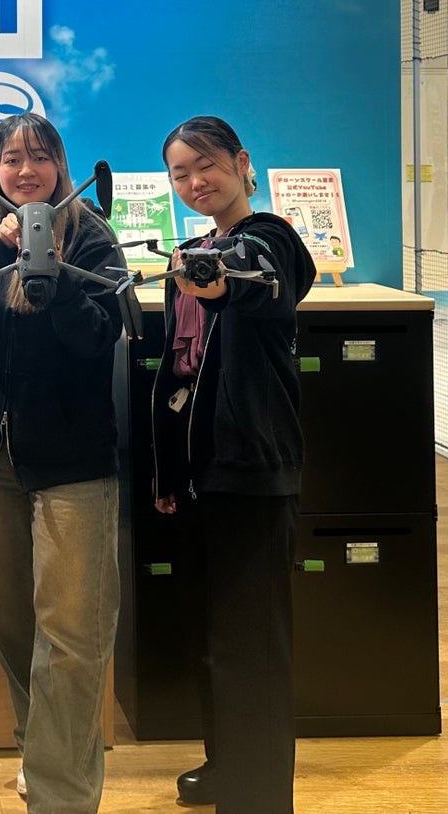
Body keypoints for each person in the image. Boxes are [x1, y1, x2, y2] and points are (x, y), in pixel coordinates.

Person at [0, 113, 126, 813]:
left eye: (38, 157)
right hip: (0, 458)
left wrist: (54, 273)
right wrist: (5, 247)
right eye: (11, 159)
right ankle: (43, 743)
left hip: (75, 464)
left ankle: (59, 792)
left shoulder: (93, 236)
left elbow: (100, 335)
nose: (24, 170)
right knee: (3, 611)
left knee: (72, 633)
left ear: (60, 167)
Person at [151, 116, 316, 813]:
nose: (196, 182)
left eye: (208, 165)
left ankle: (259, 798)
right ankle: (227, 766)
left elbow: (263, 276)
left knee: (254, 647)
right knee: (212, 638)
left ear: (242, 163)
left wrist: (218, 280)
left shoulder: (270, 238)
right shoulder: (191, 252)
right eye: (181, 173)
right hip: (198, 475)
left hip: (251, 469)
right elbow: (178, 372)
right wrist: (168, 474)